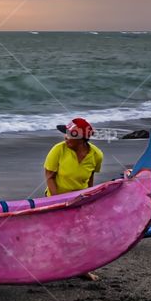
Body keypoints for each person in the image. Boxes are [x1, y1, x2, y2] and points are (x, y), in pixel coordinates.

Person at [44, 117, 104, 281]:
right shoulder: (58, 150)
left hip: (79, 202)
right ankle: (49, 269)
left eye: (70, 135)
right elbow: (49, 177)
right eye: (66, 134)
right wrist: (57, 202)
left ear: (82, 140)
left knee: (84, 236)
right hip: (56, 199)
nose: (66, 138)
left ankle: (82, 269)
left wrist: (90, 198)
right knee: (57, 237)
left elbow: (90, 179)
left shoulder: (96, 155)